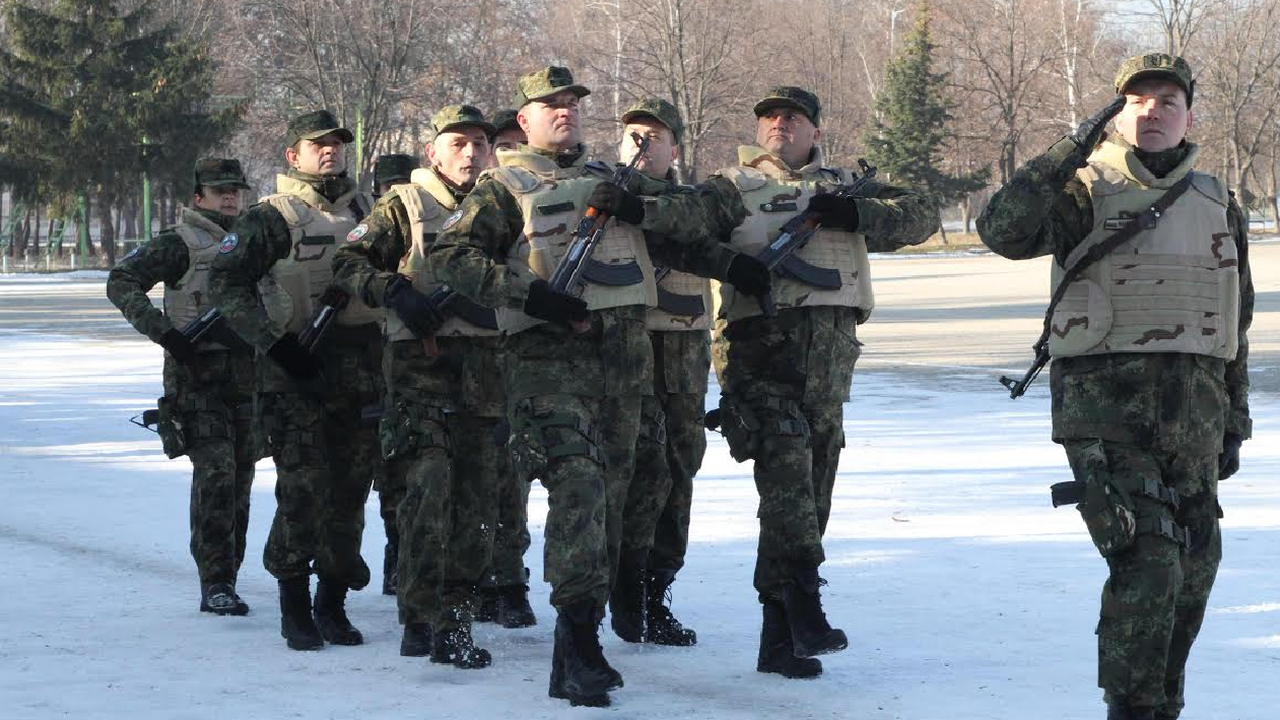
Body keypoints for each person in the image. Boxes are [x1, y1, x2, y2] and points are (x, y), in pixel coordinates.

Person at [427, 66, 769, 706]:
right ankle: (579, 643)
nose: (564, 112)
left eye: (572, 104)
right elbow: (450, 258)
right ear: (523, 119)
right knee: (580, 491)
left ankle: (576, 648)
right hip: (546, 367)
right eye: (549, 105)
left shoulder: (618, 181)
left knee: (611, 505)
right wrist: (528, 294)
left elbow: (691, 222)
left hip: (625, 371)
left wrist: (678, 230)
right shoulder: (504, 186)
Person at [976, 53, 1252, 720]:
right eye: (1138, 99)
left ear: (1188, 115)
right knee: (1148, 559)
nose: (1152, 110)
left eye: (1167, 101)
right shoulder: (1079, 191)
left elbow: (1234, 316)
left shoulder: (1217, 200)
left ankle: (1161, 703)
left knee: (1194, 569)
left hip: (1195, 413)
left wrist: (1234, 420)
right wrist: (1065, 152)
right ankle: (1131, 708)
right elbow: (1001, 231)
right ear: (1115, 112)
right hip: (1105, 414)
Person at [710, 86, 937, 679]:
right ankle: (805, 603)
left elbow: (921, 214)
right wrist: (731, 264)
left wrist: (858, 214)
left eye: (794, 117)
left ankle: (778, 638)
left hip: (830, 369)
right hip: (761, 360)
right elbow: (681, 233)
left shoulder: (843, 187)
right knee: (788, 488)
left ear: (816, 131)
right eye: (770, 117)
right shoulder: (728, 188)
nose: (780, 124)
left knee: (809, 499)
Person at [333, 104, 516, 668]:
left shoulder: (503, 202)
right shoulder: (403, 205)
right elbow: (347, 263)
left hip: (487, 371)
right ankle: (419, 616)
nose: (469, 153)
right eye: (457, 144)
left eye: (479, 144)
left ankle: (457, 617)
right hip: (420, 372)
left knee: (478, 501)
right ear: (433, 151)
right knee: (427, 492)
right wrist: (395, 292)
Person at [209, 109, 382, 651]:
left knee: (350, 491)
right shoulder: (271, 216)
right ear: (294, 155)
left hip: (359, 370)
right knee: (303, 489)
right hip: (295, 371)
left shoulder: (367, 208)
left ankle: (333, 601)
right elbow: (226, 284)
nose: (330, 151)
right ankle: (293, 603)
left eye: (337, 143)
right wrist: (273, 343)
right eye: (318, 145)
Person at [107, 158, 257, 616]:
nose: (229, 197)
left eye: (234, 189)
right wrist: (163, 331)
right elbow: (122, 280)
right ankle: (214, 581)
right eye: (218, 191)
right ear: (199, 198)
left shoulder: (256, 239)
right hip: (196, 378)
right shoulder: (180, 243)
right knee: (215, 476)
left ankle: (228, 575)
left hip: (249, 377)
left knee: (241, 481)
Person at [610, 98, 702, 647]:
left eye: (654, 136)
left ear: (674, 149)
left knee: (679, 473)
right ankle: (620, 585)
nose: (642, 144)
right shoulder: (598, 198)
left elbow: (703, 226)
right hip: (626, 352)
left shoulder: (694, 204)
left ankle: (655, 589)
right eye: (632, 136)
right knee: (637, 475)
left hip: (684, 357)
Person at [369, 151, 420, 595]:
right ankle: (394, 553)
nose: (395, 192)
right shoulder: (374, 228)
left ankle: (403, 558)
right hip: (369, 362)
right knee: (391, 469)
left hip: (413, 360)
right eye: (388, 186)